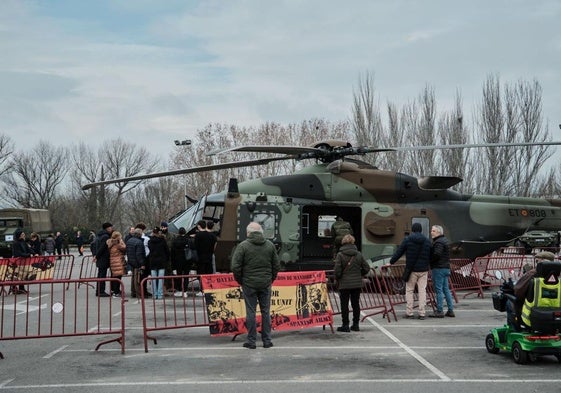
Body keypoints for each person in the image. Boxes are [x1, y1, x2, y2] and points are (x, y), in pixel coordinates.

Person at [231, 222, 280, 349]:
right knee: (266, 311)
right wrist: (270, 279)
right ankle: (267, 340)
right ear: (261, 232)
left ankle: (251, 341)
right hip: (265, 283)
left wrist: (241, 280)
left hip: (249, 283)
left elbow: (235, 266)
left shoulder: (243, 246)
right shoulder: (270, 246)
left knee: (251, 312)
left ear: (248, 233)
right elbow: (276, 265)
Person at [389, 223, 431, 319]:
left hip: (412, 270)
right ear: (421, 230)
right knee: (422, 291)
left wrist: (391, 262)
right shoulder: (427, 241)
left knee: (409, 291)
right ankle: (422, 313)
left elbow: (399, 252)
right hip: (424, 270)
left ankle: (409, 312)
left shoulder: (408, 240)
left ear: (412, 230)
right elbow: (431, 254)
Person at [507, 251, 556, 330]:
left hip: (532, 315)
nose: (536, 264)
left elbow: (518, 291)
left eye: (537, 261)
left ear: (543, 261)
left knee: (510, 302)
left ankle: (514, 329)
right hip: (554, 315)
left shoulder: (533, 274)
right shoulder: (558, 277)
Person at [333, 234, 370, 332]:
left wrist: (338, 277)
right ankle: (356, 325)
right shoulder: (358, 254)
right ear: (353, 242)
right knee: (355, 304)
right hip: (357, 284)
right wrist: (359, 274)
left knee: (344, 305)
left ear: (343, 243)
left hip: (344, 284)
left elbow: (337, 271)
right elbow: (367, 268)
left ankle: (345, 325)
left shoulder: (340, 255)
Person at [429, 225, 455, 318]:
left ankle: (439, 311)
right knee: (446, 289)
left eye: (433, 231)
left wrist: (430, 260)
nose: (431, 232)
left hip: (438, 268)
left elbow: (437, 254)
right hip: (446, 268)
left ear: (439, 232)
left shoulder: (438, 242)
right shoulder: (445, 241)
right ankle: (450, 310)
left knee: (439, 290)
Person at [11, 229, 38, 294]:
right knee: (17, 275)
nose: (24, 235)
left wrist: (34, 253)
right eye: (22, 234)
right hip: (18, 262)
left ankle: (21, 288)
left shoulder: (23, 242)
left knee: (23, 275)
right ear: (19, 236)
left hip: (23, 262)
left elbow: (28, 249)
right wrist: (28, 255)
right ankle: (14, 288)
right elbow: (18, 253)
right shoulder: (15, 243)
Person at [148, 227, 170, 300]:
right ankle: (160, 294)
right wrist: (166, 259)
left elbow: (150, 250)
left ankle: (154, 294)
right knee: (161, 279)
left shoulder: (150, 241)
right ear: (158, 233)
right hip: (161, 261)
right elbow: (167, 251)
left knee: (154, 279)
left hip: (153, 261)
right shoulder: (162, 240)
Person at [126, 228, 147, 303]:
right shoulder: (139, 242)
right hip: (137, 262)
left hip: (131, 260)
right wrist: (142, 264)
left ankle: (133, 292)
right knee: (137, 279)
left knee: (133, 278)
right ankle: (139, 293)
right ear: (140, 234)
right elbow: (139, 254)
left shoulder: (129, 241)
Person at [94, 222, 114, 297]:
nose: (112, 229)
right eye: (111, 227)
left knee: (100, 275)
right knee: (102, 275)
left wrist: (95, 255)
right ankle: (101, 291)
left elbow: (94, 245)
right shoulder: (106, 236)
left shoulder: (99, 235)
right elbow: (102, 248)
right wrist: (97, 256)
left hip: (100, 258)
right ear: (107, 228)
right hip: (103, 258)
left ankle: (99, 291)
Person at [171, 227, 191, 297]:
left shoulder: (175, 241)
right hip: (187, 260)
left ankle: (179, 290)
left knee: (179, 275)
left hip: (178, 260)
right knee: (186, 276)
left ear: (178, 233)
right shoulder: (188, 240)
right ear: (185, 232)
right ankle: (185, 291)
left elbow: (172, 253)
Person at [107, 231, 126, 297]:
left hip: (112, 261)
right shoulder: (117, 243)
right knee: (118, 277)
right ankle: (116, 292)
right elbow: (124, 248)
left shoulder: (110, 243)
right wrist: (121, 241)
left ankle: (114, 290)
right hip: (118, 261)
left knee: (114, 277)